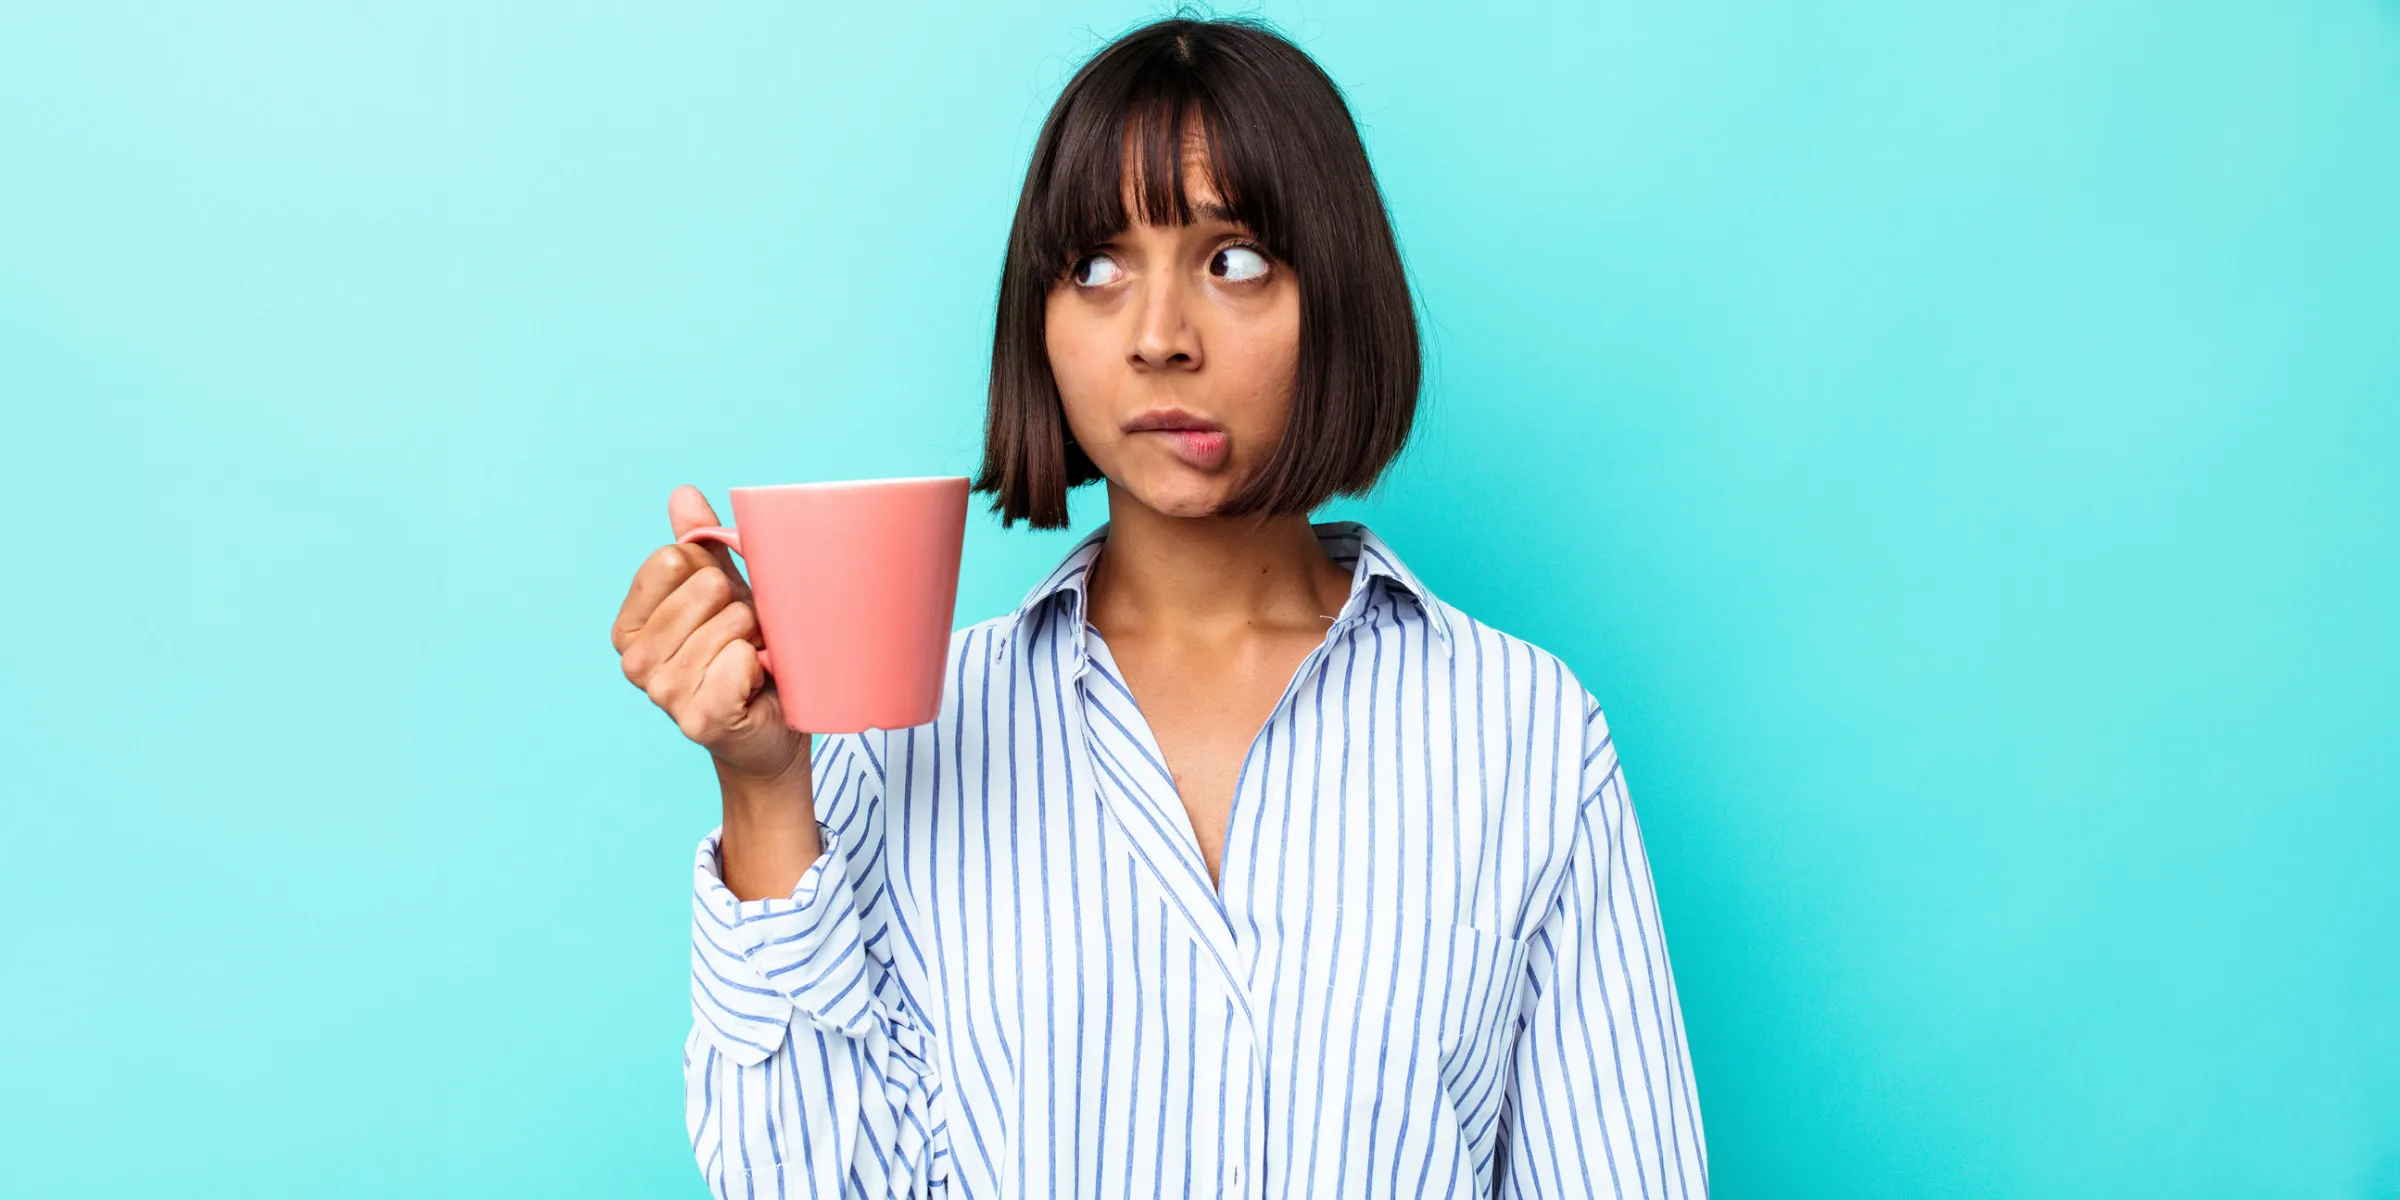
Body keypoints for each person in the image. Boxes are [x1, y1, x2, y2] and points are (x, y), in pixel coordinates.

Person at [611, 15, 1707, 1199]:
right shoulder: (907, 735)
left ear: (1337, 297)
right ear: (1038, 320)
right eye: (1097, 267)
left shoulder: (1523, 733)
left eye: (1234, 261)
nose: (1158, 339)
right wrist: (766, 787)